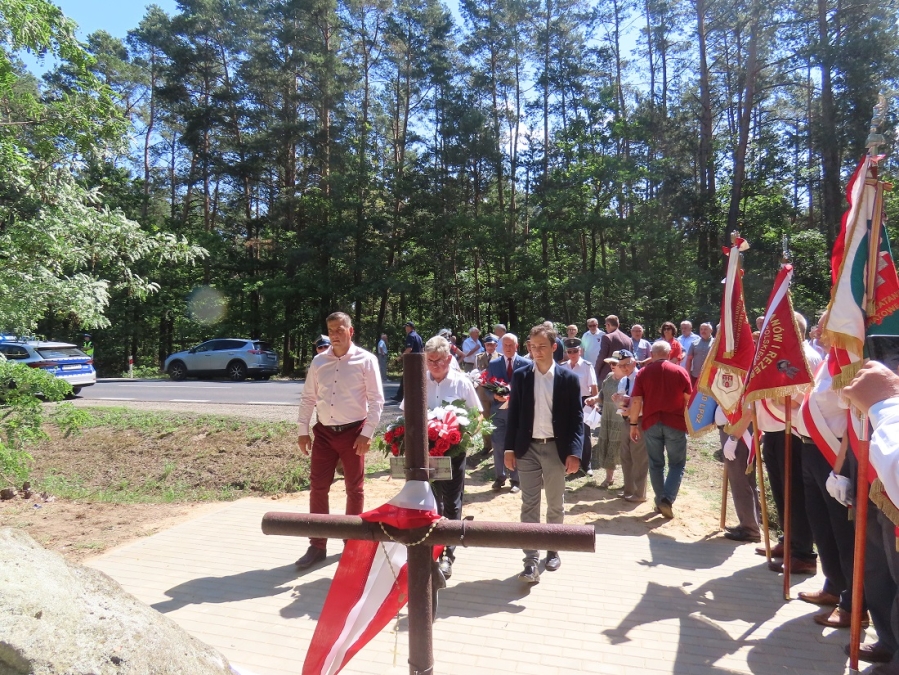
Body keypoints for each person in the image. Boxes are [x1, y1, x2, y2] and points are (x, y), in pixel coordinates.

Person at [295, 312, 384, 569]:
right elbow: (308, 398)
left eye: (339, 329)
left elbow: (377, 400)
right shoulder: (318, 361)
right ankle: (317, 545)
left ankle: (351, 543)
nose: (334, 334)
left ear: (350, 331)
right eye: (331, 330)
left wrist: (367, 433)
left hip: (354, 433)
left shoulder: (366, 360)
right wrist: (302, 430)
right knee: (317, 487)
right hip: (324, 433)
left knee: (354, 489)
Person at [505, 324, 583, 583]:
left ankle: (553, 548)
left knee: (555, 502)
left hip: (555, 449)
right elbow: (514, 414)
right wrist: (509, 449)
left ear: (554, 347)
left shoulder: (568, 378)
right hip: (526, 448)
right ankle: (530, 561)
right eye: (532, 346)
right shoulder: (521, 376)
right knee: (529, 503)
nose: (536, 351)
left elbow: (577, 419)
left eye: (542, 346)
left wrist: (574, 452)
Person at [400, 335, 482, 579]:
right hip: (424, 453)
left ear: (449, 359)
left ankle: (448, 553)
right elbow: (405, 412)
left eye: (439, 360)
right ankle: (429, 547)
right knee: (429, 500)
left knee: (452, 501)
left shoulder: (461, 382)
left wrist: (465, 436)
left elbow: (477, 415)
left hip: (453, 451)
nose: (434, 365)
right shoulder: (418, 380)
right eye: (430, 361)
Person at [795, 323, 861, 628]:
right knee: (820, 525)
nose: (818, 330)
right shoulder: (826, 362)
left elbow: (853, 418)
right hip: (810, 449)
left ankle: (853, 603)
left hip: (833, 455)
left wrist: (840, 467)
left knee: (841, 531)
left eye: (825, 325)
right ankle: (834, 585)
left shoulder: (849, 363)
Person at [842, 360, 899, 672]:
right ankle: (889, 642)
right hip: (878, 481)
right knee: (879, 568)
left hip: (889, 473)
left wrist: (885, 406)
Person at [755, 311, 821, 575]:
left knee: (795, 493)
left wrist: (776, 392)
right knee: (782, 491)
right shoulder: (784, 356)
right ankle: (789, 539)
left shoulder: (806, 357)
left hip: (793, 432)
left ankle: (803, 553)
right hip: (775, 430)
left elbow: (804, 400)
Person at [628, 341, 691, 519]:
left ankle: (660, 501)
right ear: (669, 354)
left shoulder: (643, 372)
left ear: (652, 354)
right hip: (675, 423)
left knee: (656, 464)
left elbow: (636, 401)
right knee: (677, 464)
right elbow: (688, 399)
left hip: (651, 423)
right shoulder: (680, 372)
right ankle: (667, 499)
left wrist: (633, 424)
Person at [488, 333, 530, 493]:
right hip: (498, 412)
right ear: (501, 346)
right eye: (505, 345)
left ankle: (516, 480)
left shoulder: (527, 363)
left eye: (511, 345)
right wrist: (494, 395)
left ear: (517, 346)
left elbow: (530, 388)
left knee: (516, 445)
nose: (508, 348)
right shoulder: (494, 364)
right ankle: (500, 477)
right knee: (498, 444)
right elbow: (487, 387)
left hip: (518, 413)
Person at [716, 405, 760, 543]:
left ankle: (750, 528)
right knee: (742, 480)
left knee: (740, 480)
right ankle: (749, 523)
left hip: (739, 432)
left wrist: (733, 438)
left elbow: (749, 410)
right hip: (733, 429)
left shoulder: (745, 389)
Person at [592, 349, 633, 489]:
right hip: (607, 417)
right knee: (607, 446)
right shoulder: (609, 377)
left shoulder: (628, 380)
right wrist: (594, 399)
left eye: (615, 363)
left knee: (623, 450)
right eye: (611, 363)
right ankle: (609, 478)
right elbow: (602, 395)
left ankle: (629, 481)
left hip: (621, 419)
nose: (612, 366)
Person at [610, 351, 647, 502]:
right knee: (626, 456)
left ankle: (640, 493)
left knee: (639, 457)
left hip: (640, 420)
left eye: (626, 364)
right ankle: (629, 490)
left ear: (634, 363)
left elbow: (645, 402)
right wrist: (617, 401)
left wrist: (631, 409)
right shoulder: (624, 380)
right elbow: (622, 403)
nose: (624, 368)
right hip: (626, 420)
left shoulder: (642, 378)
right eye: (620, 365)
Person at [560, 337, 598, 479]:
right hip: (566, 402)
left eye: (575, 351)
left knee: (585, 433)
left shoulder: (587, 366)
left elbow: (594, 387)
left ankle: (586, 465)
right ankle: (568, 464)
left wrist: (594, 403)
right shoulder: (562, 367)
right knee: (566, 432)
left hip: (584, 402)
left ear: (580, 351)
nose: (572, 354)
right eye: (569, 351)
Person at [475, 334, 499, 452]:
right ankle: (487, 445)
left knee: (498, 418)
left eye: (492, 345)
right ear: (484, 345)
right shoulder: (479, 357)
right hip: (483, 392)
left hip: (496, 392)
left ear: (496, 346)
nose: (489, 347)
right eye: (487, 345)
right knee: (485, 419)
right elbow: (475, 373)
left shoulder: (500, 357)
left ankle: (497, 444)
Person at [392, 321, 423, 403]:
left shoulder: (410, 336)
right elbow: (422, 350)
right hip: (418, 361)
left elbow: (409, 349)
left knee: (406, 378)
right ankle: (415, 395)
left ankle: (400, 396)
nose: (405, 328)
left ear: (410, 327)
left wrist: (400, 358)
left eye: (406, 327)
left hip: (411, 361)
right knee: (416, 379)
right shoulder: (418, 337)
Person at [595, 315, 632, 382]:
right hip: (625, 375)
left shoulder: (607, 337)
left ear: (608, 325)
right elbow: (631, 358)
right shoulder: (628, 339)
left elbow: (602, 357)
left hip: (609, 375)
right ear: (618, 324)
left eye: (606, 325)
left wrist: (595, 372)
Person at [684, 323, 713, 387]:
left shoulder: (715, 343)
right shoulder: (694, 343)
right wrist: (688, 373)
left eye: (705, 329)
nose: (703, 331)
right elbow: (689, 359)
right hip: (696, 375)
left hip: (710, 376)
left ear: (711, 330)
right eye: (701, 329)